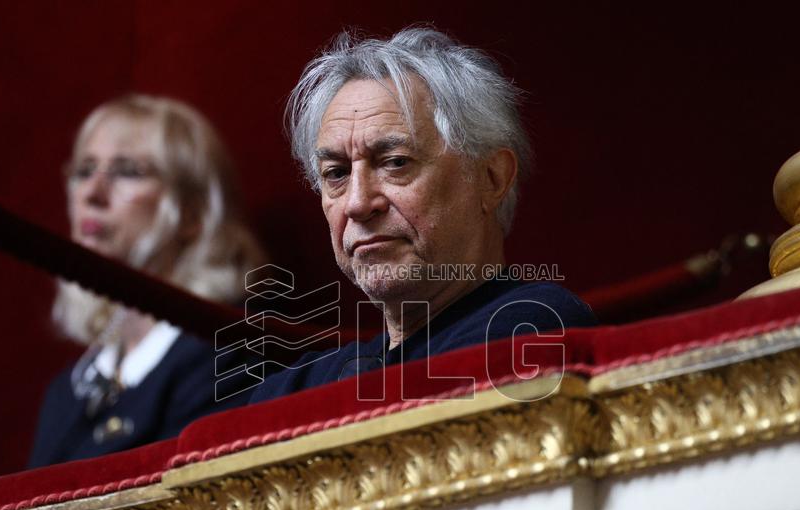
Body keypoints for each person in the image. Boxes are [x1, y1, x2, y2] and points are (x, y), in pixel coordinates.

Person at [244, 27, 596, 404]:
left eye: (395, 163)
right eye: (337, 173)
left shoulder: (533, 327)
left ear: (491, 179)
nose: (358, 203)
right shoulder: (292, 389)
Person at [29, 94, 266, 467]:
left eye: (127, 172)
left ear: (194, 214)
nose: (91, 194)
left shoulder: (235, 354)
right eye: (84, 170)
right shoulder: (67, 392)